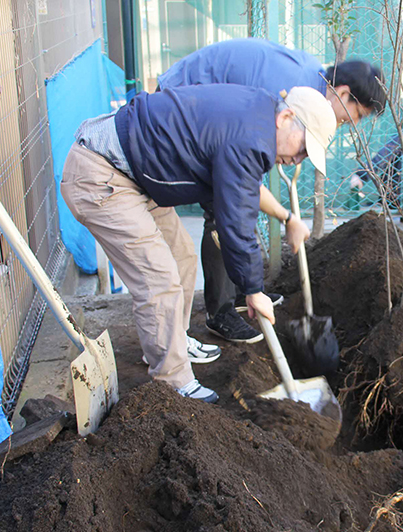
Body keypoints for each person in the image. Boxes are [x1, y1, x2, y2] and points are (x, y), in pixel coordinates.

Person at [61, 85, 336, 404]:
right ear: (286, 117)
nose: (296, 160)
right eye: (302, 149)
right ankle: (172, 382)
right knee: (158, 279)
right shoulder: (250, 137)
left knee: (182, 258)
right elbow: (236, 219)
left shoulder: (255, 119)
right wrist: (253, 290)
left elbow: (245, 189)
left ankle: (173, 341)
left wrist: (287, 218)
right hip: (103, 175)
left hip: (139, 174)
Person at [159, 39, 386, 343]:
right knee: (225, 207)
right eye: (357, 115)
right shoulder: (288, 90)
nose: (351, 124)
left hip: (207, 111)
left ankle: (241, 292)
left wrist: (285, 216)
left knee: (241, 202)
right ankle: (221, 313)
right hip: (182, 104)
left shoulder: (312, 85)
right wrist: (283, 215)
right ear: (344, 94)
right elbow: (242, 169)